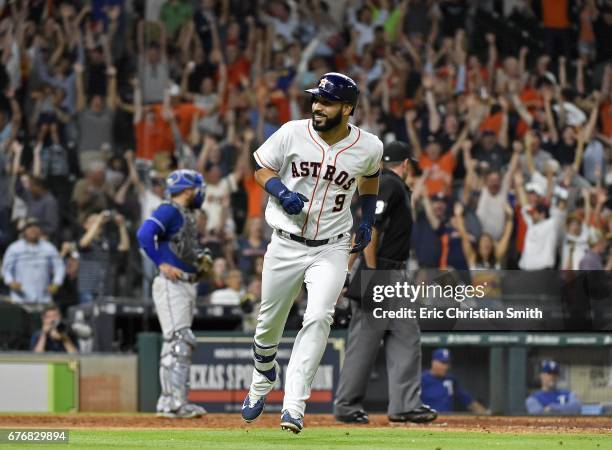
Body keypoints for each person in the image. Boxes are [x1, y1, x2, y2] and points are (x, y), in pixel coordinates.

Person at [240, 73, 383, 434]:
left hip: (332, 246)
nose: (317, 107)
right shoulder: (292, 131)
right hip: (286, 242)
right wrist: (280, 191)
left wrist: (367, 220)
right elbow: (260, 168)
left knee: (320, 316)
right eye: (316, 100)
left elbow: (370, 179)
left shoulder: (369, 146)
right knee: (268, 324)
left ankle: (294, 404)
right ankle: (262, 379)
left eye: (327, 102)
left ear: (347, 108)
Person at [334, 141, 437, 425]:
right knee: (365, 343)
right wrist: (369, 273)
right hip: (381, 274)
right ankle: (346, 405)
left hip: (391, 275)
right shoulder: (388, 184)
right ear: (405, 164)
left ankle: (404, 405)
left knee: (406, 337)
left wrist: (349, 271)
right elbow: (369, 228)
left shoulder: (385, 184)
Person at [137, 169, 210, 419]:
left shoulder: (186, 213)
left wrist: (199, 263)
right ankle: (173, 403)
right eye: (197, 188)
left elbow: (181, 247)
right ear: (188, 190)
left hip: (185, 283)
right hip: (171, 283)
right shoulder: (169, 209)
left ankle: (171, 402)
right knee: (179, 340)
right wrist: (161, 263)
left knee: (178, 341)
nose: (200, 193)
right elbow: (144, 234)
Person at [1, 218, 65, 304]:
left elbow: (59, 267)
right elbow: (6, 269)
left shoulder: (49, 248)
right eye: (29, 227)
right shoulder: (14, 248)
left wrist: (56, 283)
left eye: (36, 226)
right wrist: (10, 281)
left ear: (40, 230)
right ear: (24, 231)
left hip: (43, 297)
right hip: (20, 298)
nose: (33, 229)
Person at [421, 348, 487, 414]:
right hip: (428, 420)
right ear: (433, 362)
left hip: (447, 421)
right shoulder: (421, 379)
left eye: (447, 363)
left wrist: (486, 413)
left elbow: (467, 400)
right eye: (442, 363)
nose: (445, 367)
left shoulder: (451, 379)